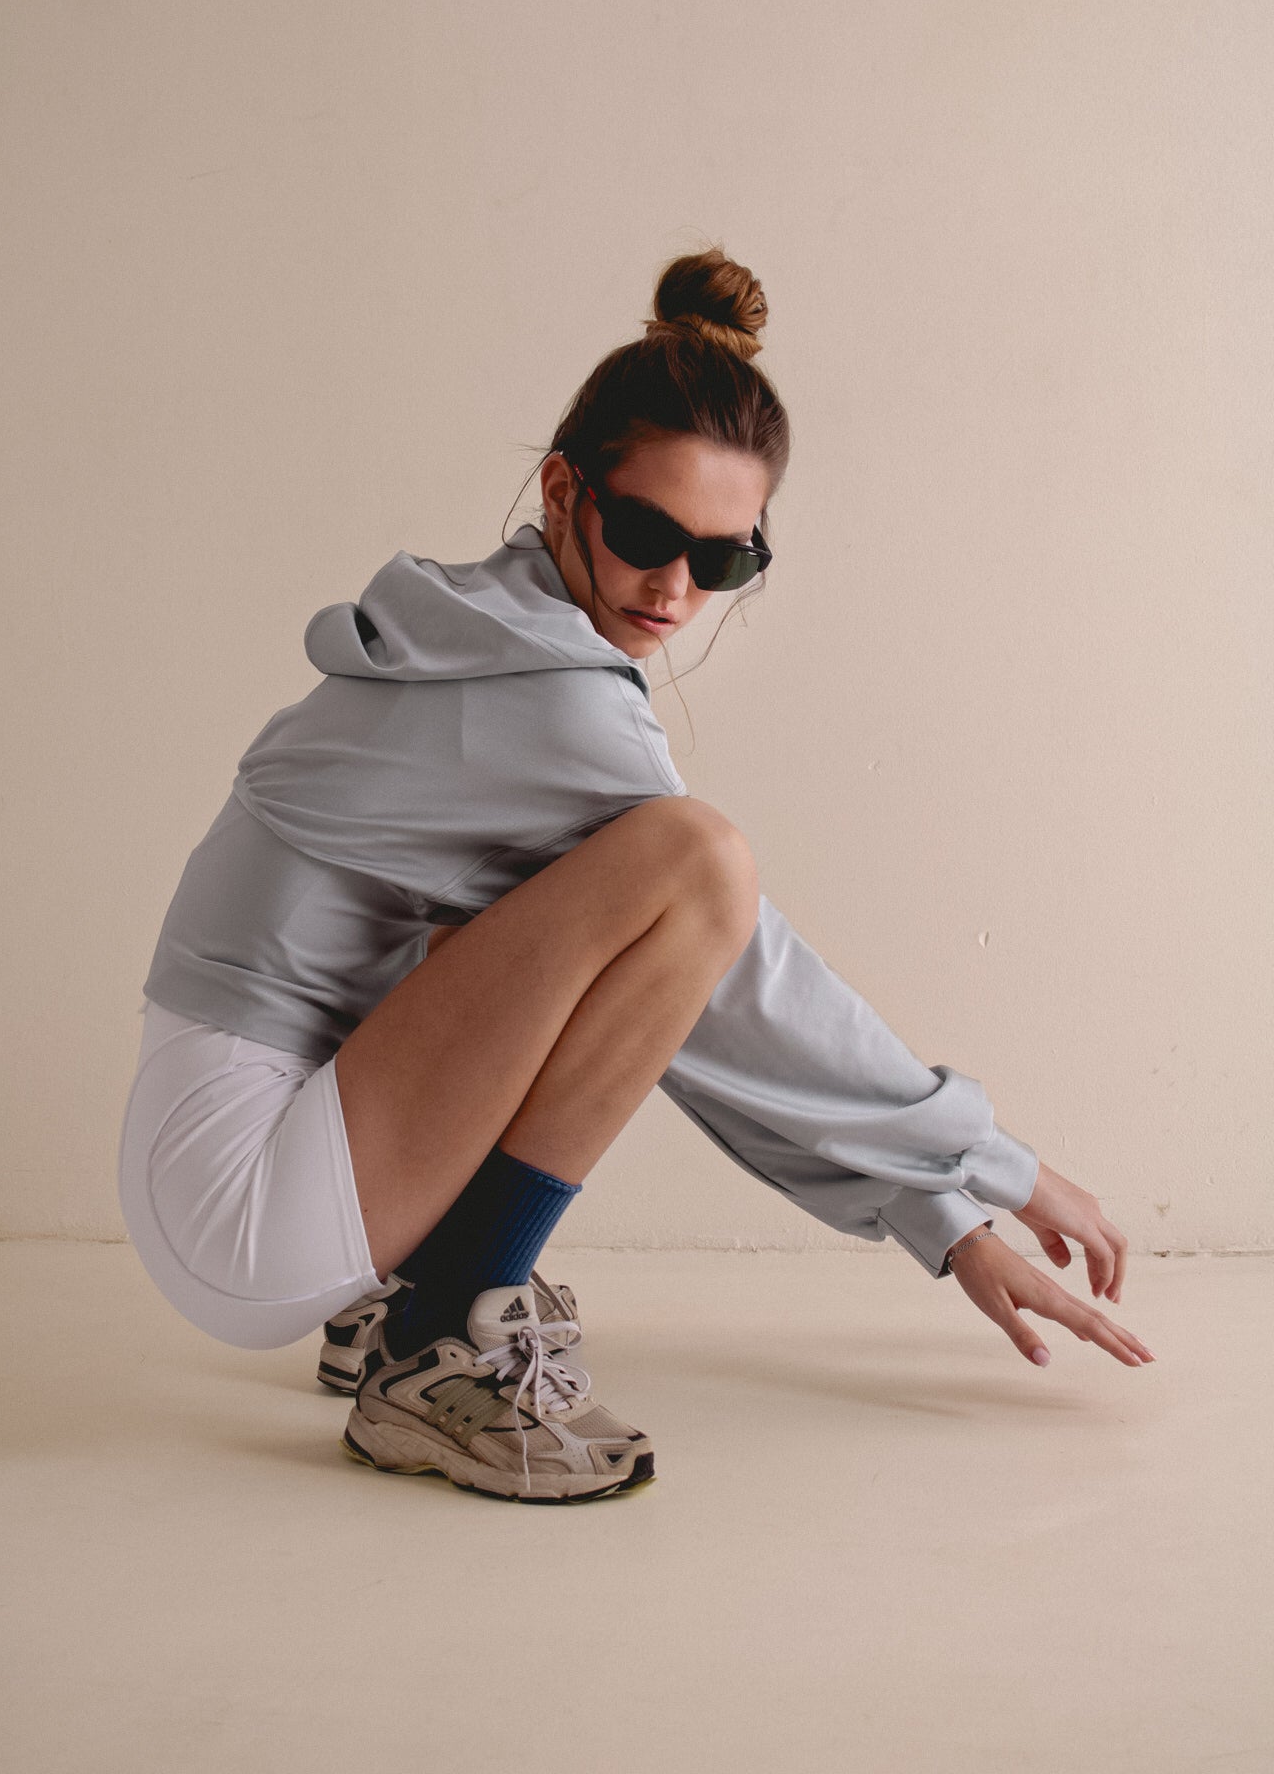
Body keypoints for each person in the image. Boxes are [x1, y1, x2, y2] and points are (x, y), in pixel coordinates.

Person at [118, 245, 1155, 1506]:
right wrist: (996, 1168)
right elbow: (742, 995)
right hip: (246, 1203)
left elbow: (676, 1018)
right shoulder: (545, 699)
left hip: (251, 1149)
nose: (674, 588)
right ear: (564, 491)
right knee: (696, 864)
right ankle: (445, 1332)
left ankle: (406, 1292)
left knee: (615, 902)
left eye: (723, 560)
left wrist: (938, 1214)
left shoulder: (489, 633)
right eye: (647, 533)